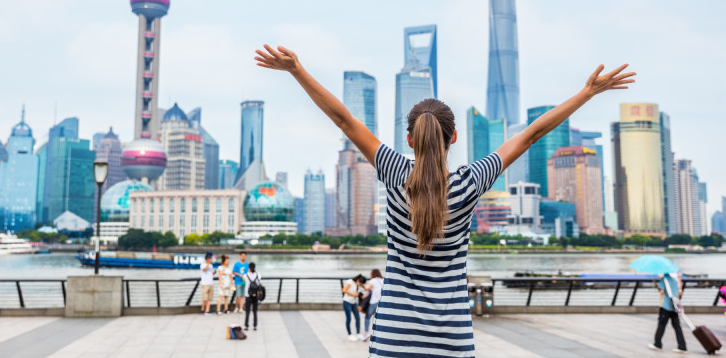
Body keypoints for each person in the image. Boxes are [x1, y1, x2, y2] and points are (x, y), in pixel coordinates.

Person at [254, 44, 634, 357]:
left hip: (392, 338)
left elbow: (344, 120)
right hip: (452, 339)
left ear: (409, 140)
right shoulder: (469, 183)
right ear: (453, 139)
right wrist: (588, 92)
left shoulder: (394, 170)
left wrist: (296, 70)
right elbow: (532, 134)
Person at [649, 272, 687, 353]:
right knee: (677, 326)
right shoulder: (674, 280)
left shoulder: (664, 279)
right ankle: (682, 346)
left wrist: (656, 285)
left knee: (661, 325)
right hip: (674, 306)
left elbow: (662, 291)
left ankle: (657, 344)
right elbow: (678, 292)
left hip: (666, 305)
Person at [342, 274, 366, 341]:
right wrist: (354, 294)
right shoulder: (350, 282)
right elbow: (344, 290)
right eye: (360, 283)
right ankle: (350, 334)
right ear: (358, 280)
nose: (359, 285)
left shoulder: (359, 284)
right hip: (347, 302)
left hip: (354, 303)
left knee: (358, 318)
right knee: (349, 318)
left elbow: (365, 288)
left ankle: (358, 333)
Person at [362, 269, 384, 341]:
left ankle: (366, 333)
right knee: (376, 318)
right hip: (381, 302)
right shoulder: (383, 279)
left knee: (367, 317)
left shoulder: (373, 280)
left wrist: (361, 284)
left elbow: (367, 288)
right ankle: (376, 333)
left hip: (374, 301)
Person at [244, 262, 262, 331]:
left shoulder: (245, 275)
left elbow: (244, 280)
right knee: (255, 311)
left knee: (247, 311)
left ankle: (246, 326)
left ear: (249, 268)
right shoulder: (258, 275)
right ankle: (255, 326)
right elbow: (259, 281)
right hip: (255, 295)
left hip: (248, 295)